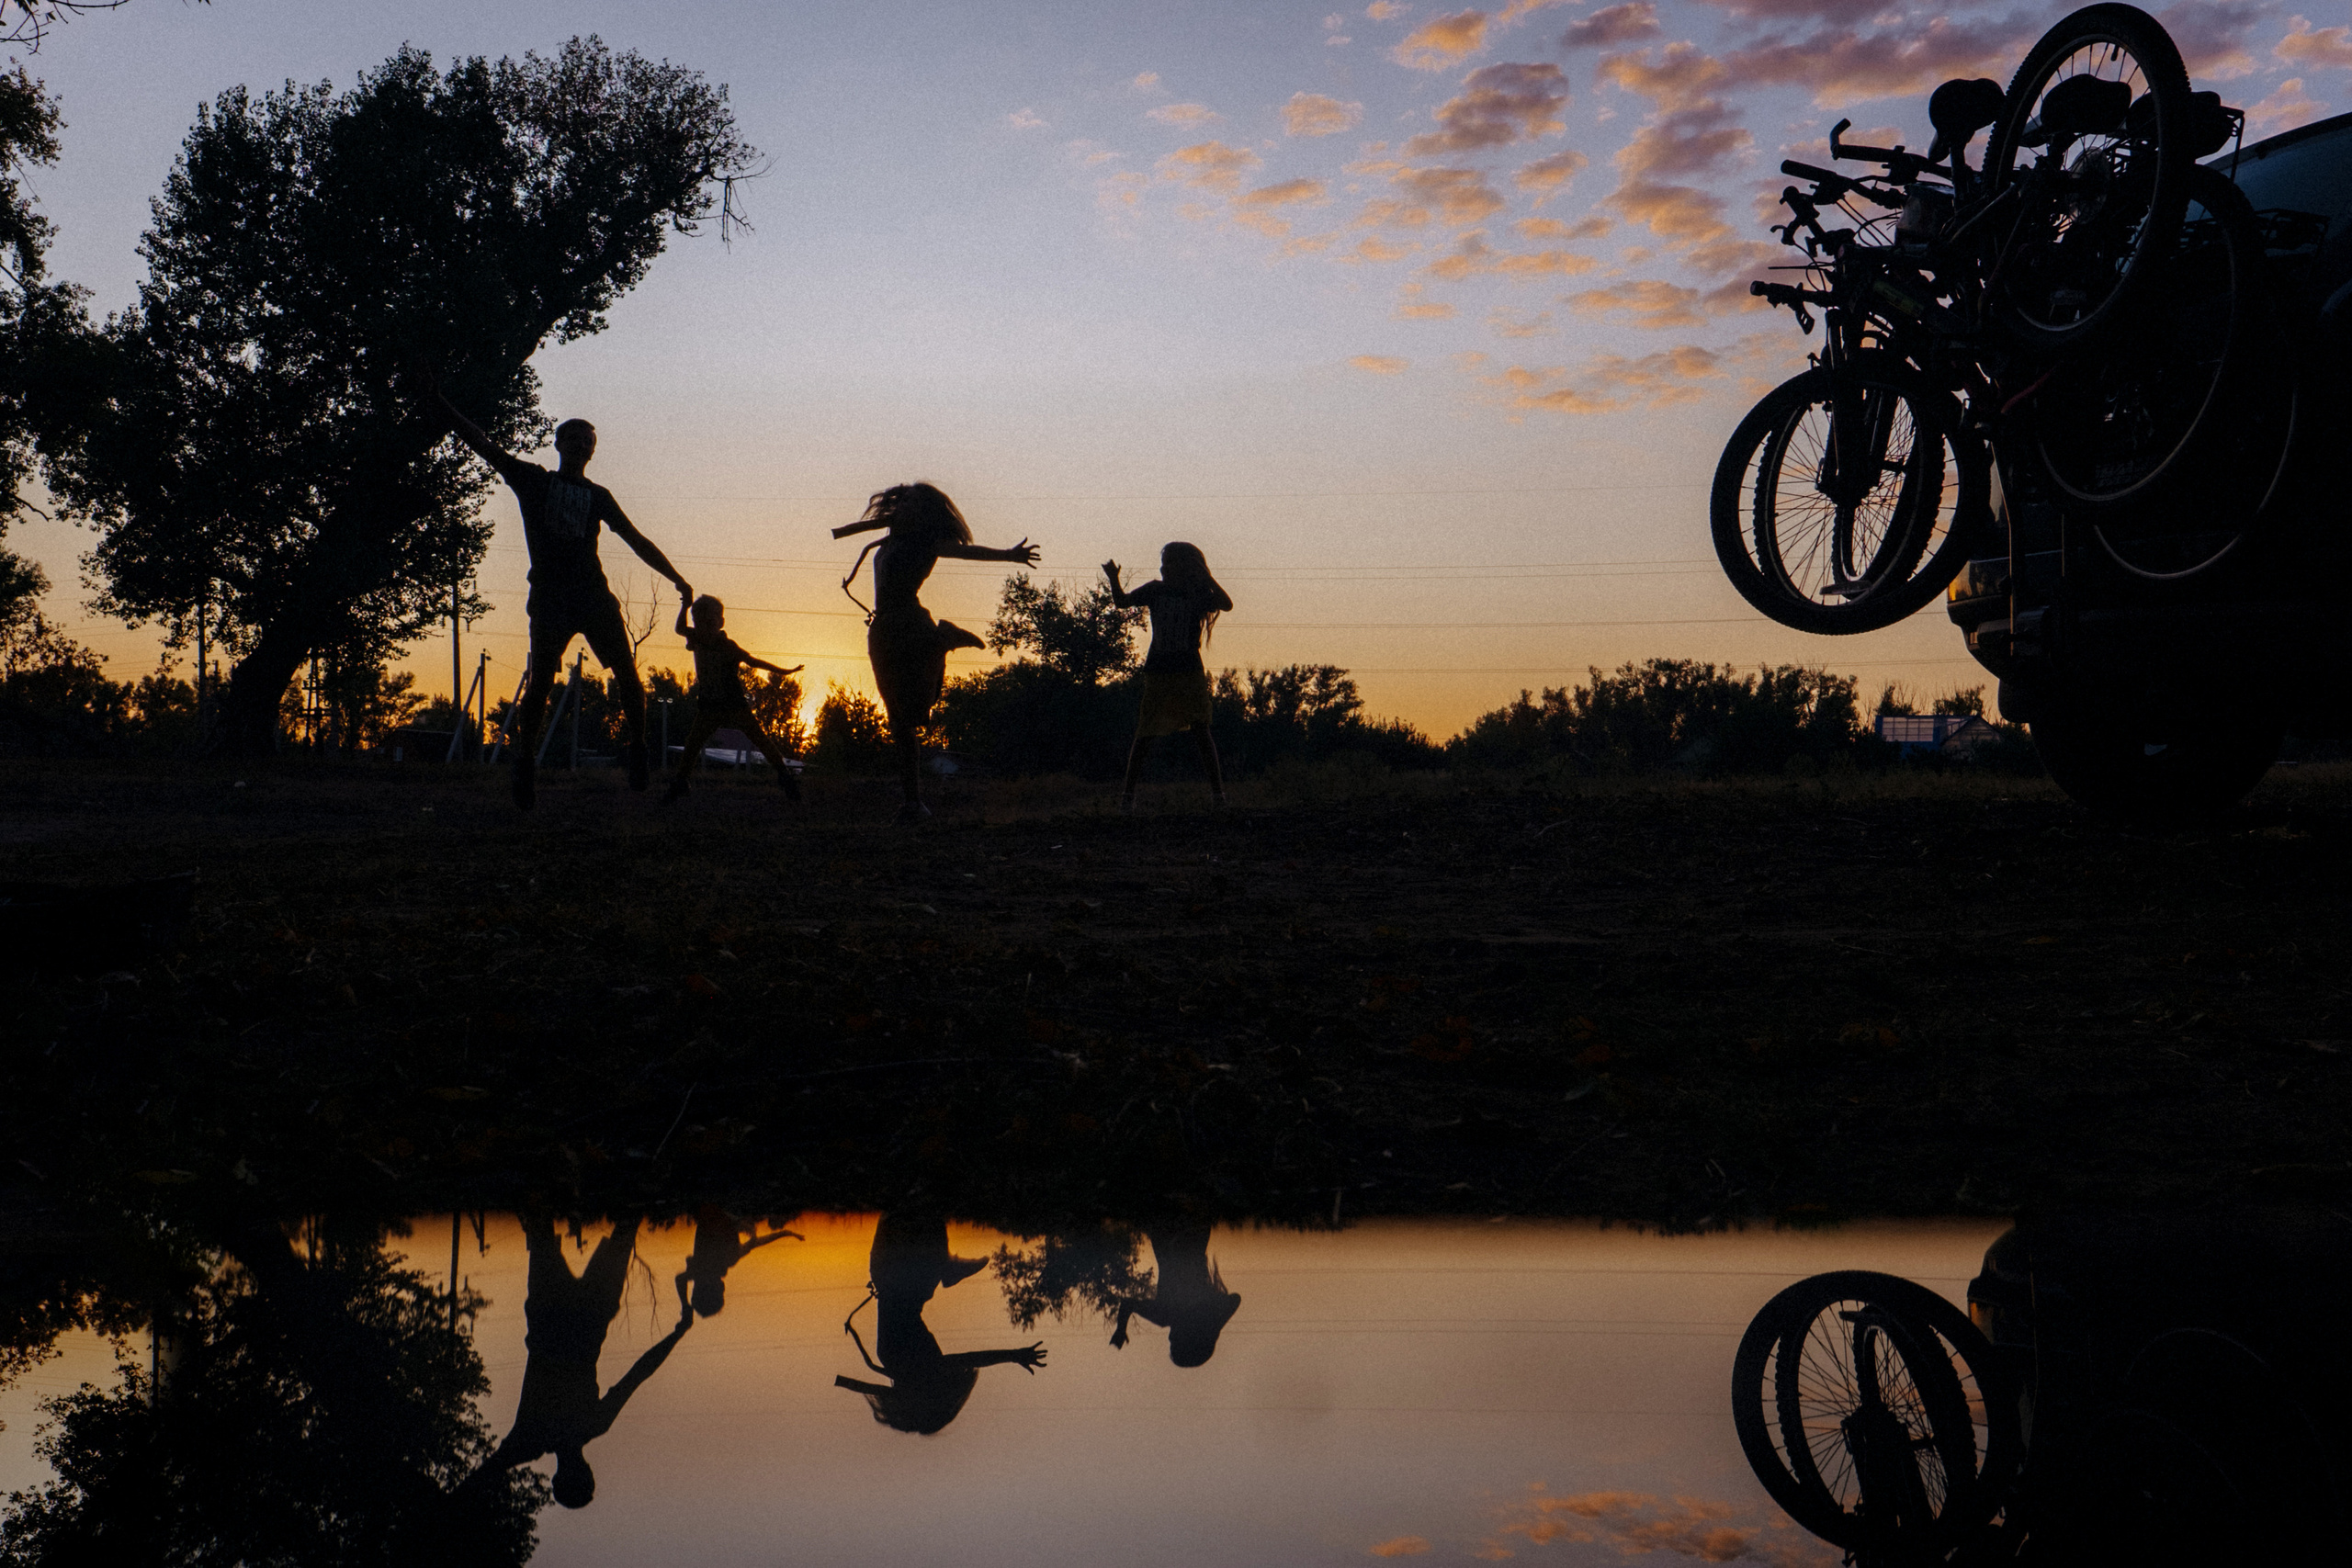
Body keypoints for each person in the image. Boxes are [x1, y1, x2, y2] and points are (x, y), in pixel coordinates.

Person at [424, 375, 694, 809]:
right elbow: (483, 443)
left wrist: (676, 577)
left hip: (593, 595)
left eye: (587, 440)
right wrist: (441, 404)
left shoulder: (598, 495)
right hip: (551, 597)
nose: (581, 445)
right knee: (542, 681)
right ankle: (525, 761)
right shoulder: (533, 481)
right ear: (558, 444)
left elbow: (636, 539)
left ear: (592, 451)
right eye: (573, 437)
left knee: (627, 674)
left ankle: (639, 749)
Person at [834, 483, 1037, 822]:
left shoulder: (926, 542)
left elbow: (967, 553)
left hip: (909, 623)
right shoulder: (890, 537)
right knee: (898, 721)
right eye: (903, 500)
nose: (903, 506)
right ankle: (913, 802)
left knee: (912, 710)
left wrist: (1008, 555)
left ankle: (941, 638)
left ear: (925, 510)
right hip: (882, 627)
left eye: (912, 501)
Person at [471, 1215, 688, 1509]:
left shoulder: (586, 1427)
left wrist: (678, 1334)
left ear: (588, 1472)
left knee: (625, 1224)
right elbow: (476, 1482)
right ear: (556, 1480)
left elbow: (639, 1373)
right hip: (551, 1317)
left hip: (588, 1317)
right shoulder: (530, 1440)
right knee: (543, 1229)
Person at [833, 1212, 1046, 1434]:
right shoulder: (893, 1363)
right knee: (901, 1211)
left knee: (927, 1212)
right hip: (885, 1271)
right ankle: (947, 1268)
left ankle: (947, 1269)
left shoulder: (922, 1369)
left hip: (910, 1280)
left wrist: (1013, 1355)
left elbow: (969, 1359)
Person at [1103, 543, 1232, 811]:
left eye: (1169, 563)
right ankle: (1127, 797)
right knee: (1146, 732)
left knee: (1200, 730)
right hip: (1159, 671)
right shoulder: (1155, 590)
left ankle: (1218, 795)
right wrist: (1113, 578)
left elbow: (1226, 604)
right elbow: (1121, 602)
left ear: (1185, 567)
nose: (1163, 569)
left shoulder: (1197, 593)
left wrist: (1207, 577)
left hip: (1188, 671)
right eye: (1162, 564)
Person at [663, 595, 804, 803]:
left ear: (720, 623)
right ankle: (681, 782)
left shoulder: (728, 646)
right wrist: (684, 606)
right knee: (693, 743)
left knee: (759, 739)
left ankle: (785, 775)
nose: (704, 627)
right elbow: (680, 629)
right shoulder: (697, 638)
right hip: (709, 704)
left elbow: (753, 662)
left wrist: (783, 671)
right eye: (699, 623)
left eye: (709, 622)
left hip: (733, 702)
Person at [1108, 1224, 1243, 1368]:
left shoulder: (1201, 1313)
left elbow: (1235, 1299)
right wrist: (1121, 1329)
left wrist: (1213, 1325)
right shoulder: (1166, 1315)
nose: (1169, 1337)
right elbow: (1128, 1304)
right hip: (1170, 1236)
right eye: (1173, 1343)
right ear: (1185, 1340)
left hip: (1191, 1235)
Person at [675, 1205, 801, 1318]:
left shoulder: (708, 1268)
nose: (723, 1289)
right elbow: (755, 1243)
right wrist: (784, 1234)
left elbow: (753, 1243)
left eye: (721, 1292)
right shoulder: (706, 1268)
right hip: (720, 1212)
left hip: (722, 1210)